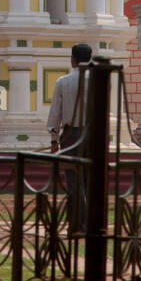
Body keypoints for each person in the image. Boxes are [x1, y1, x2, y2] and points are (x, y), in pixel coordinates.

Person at [47, 43, 92, 233]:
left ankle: (76, 224)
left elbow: (55, 112)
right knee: (92, 180)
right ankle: (92, 224)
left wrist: (54, 139)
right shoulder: (98, 80)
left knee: (73, 181)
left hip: (71, 134)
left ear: (72, 59)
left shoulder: (63, 81)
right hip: (92, 134)